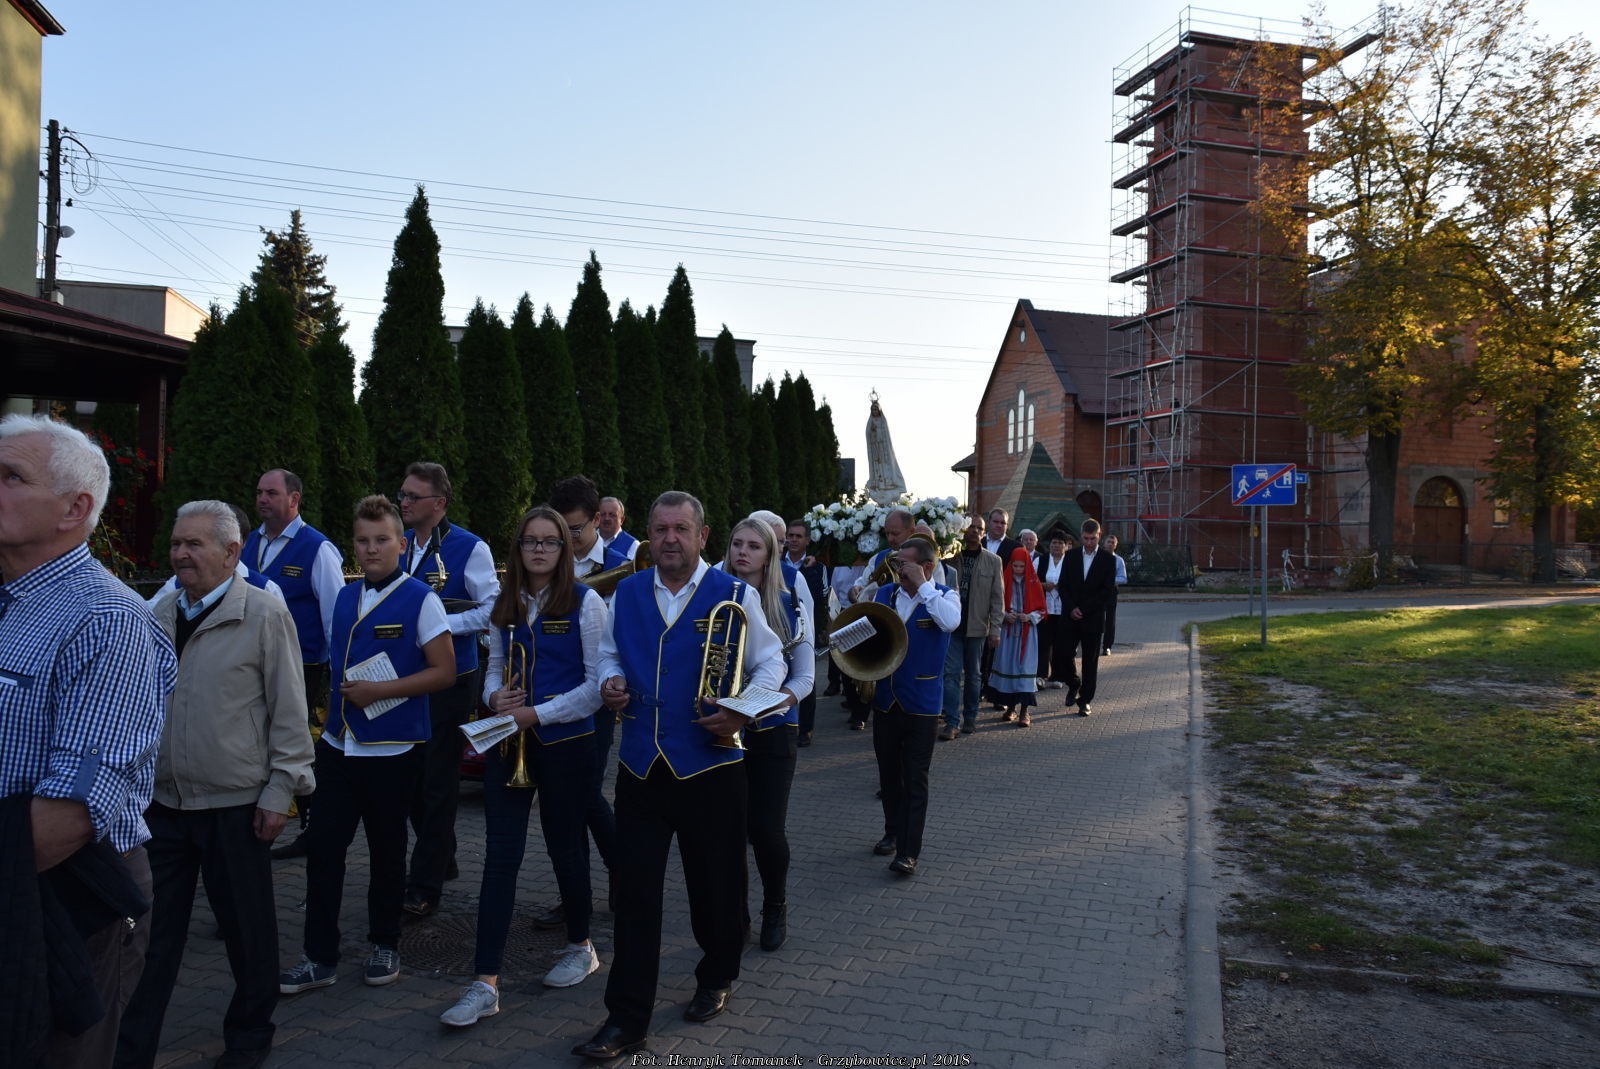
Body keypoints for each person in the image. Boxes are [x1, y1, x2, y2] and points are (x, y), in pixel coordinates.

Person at [572, 492, 786, 1060]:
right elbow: (610, 654)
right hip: (641, 766)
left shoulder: (736, 594)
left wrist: (743, 709)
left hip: (712, 765)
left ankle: (717, 974)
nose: (670, 538)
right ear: (649, 534)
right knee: (634, 896)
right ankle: (626, 1020)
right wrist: (611, 681)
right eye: (661, 528)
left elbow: (773, 663)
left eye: (681, 529)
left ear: (702, 536)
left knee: (715, 888)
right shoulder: (627, 592)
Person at [0, 413, 176, 1068]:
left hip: (68, 895)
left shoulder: (108, 621)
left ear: (75, 509)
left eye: (11, 476)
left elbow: (69, 817)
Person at [117, 501, 315, 1069]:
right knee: (150, 936)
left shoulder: (264, 613)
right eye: (176, 543)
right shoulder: (156, 613)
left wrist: (281, 791)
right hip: (163, 804)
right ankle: (130, 1050)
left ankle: (250, 1035)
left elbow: (289, 711)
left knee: (247, 931)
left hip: (237, 804)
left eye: (194, 544)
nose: (180, 554)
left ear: (231, 552)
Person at [438, 507, 611, 1029]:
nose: (539, 550)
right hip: (509, 744)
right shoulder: (505, 603)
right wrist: (495, 697)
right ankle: (484, 982)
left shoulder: (586, 601)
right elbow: (493, 670)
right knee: (500, 857)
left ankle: (580, 946)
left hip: (567, 743)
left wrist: (537, 713)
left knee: (566, 846)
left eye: (550, 541)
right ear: (517, 549)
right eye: (530, 541)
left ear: (563, 549)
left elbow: (596, 686)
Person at [279, 496, 455, 997]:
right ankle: (319, 956)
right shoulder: (344, 596)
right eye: (363, 540)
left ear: (401, 544)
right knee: (323, 851)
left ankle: (385, 943)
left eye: (382, 540)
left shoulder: (421, 598)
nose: (372, 548)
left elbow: (444, 672)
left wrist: (382, 691)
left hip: (393, 750)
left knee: (386, 851)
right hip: (339, 745)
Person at [397, 461, 497, 917]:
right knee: (412, 776)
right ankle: (443, 854)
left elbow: (492, 610)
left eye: (412, 496)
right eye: (402, 494)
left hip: (453, 676)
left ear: (438, 503)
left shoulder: (470, 547)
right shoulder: (400, 544)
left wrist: (436, 626)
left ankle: (425, 885)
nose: (403, 502)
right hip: (409, 675)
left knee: (437, 780)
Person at [534, 474, 624, 933]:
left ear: (596, 522)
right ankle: (585, 893)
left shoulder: (624, 565)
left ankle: (607, 884)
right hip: (552, 697)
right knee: (574, 800)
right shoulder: (549, 559)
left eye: (575, 529)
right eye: (561, 529)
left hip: (596, 694)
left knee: (583, 794)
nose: (568, 538)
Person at [244, 469, 345, 861]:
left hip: (300, 663)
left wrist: (336, 675)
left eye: (271, 492)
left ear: (294, 499)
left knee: (292, 741)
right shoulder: (250, 542)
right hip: (251, 661)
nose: (262, 499)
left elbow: (334, 617)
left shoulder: (317, 548)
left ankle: (311, 825)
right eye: (259, 492)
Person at [725, 518, 812, 952]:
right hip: (722, 731)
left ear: (769, 555)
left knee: (766, 831)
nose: (743, 552)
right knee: (727, 830)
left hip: (773, 729)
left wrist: (772, 702)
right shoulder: (714, 597)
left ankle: (775, 905)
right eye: (737, 544)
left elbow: (805, 677)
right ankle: (735, 913)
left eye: (754, 546)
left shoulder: (788, 602)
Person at [868, 536, 959, 876]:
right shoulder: (885, 594)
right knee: (889, 774)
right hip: (886, 700)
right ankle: (892, 832)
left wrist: (924, 587)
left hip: (922, 704)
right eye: (897, 562)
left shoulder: (945, 596)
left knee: (915, 778)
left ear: (927, 566)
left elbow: (950, 623)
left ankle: (909, 852)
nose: (898, 569)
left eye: (904, 563)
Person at [938, 517, 1004, 741]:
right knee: (951, 674)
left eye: (979, 528)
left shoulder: (993, 561)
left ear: (984, 533)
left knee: (974, 676)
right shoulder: (949, 557)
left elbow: (998, 598)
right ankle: (952, 722)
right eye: (971, 527)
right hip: (952, 626)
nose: (975, 531)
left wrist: (995, 629)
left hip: (977, 628)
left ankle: (970, 718)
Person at [1060, 519, 1118, 716]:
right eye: (1085, 538)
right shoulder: (1071, 556)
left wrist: (1084, 609)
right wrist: (1072, 608)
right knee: (1064, 655)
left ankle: (1085, 700)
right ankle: (1073, 683)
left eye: (1092, 539)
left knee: (1090, 662)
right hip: (1070, 616)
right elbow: (1063, 585)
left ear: (1099, 536)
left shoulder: (1108, 560)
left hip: (1093, 618)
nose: (1089, 542)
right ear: (1081, 536)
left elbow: (1106, 591)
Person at [983, 548, 1047, 727]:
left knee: (1024, 669)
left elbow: (1042, 610)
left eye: (1022, 566)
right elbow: (995, 604)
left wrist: (1030, 617)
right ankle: (1011, 707)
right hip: (1008, 633)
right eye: (1015, 566)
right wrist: (1004, 616)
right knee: (1009, 667)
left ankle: (1025, 711)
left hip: (1027, 634)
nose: (1018, 569)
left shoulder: (1033, 582)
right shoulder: (1004, 580)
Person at [782, 518, 828, 747]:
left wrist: (820, 631)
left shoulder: (817, 567)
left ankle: (806, 729)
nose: (793, 540)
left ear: (807, 540)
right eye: (790, 535)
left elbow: (820, 599)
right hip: (782, 628)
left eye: (798, 536)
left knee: (805, 678)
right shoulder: (776, 562)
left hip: (806, 626)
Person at [1035, 530, 1072, 690]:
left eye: (1060, 543)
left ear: (1066, 546)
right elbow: (1032, 581)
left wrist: (1062, 586)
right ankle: (1040, 675)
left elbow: (1075, 582)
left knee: (1060, 644)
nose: (1056, 546)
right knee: (1043, 643)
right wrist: (1043, 585)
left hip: (1063, 610)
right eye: (1054, 543)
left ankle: (1058, 676)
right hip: (1045, 609)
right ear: (1049, 545)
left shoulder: (1070, 561)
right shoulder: (1041, 560)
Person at [1103, 534, 1128, 654]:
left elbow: (1123, 578)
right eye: (1108, 542)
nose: (1110, 544)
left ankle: (1107, 646)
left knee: (1110, 619)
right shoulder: (1097, 557)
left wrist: (1111, 580)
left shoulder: (1119, 560)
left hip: (1111, 591)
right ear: (1104, 543)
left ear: (1116, 546)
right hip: (1097, 591)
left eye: (1113, 543)